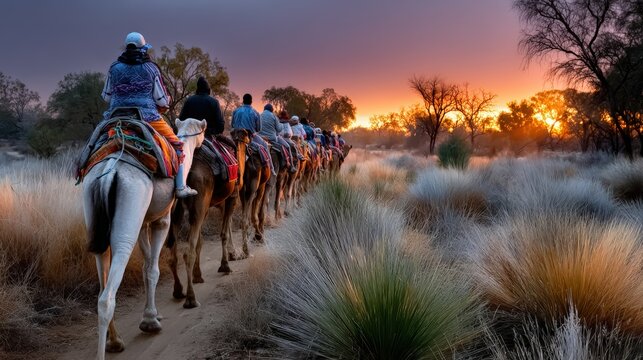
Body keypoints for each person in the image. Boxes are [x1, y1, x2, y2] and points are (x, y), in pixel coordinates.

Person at [101, 32, 197, 198]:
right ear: (143, 48)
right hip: (147, 117)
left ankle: (81, 170)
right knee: (178, 145)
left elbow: (106, 96)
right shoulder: (151, 68)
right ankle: (181, 187)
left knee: (94, 142)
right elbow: (161, 101)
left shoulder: (114, 68)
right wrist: (165, 101)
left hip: (116, 117)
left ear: (126, 47)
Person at [231, 94, 276, 176]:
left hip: (236, 137)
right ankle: (270, 168)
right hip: (249, 138)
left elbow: (233, 125)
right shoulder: (255, 113)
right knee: (265, 146)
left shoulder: (235, 111)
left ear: (243, 101)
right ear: (251, 102)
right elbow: (259, 129)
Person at [259, 104, 296, 173]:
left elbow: (257, 127)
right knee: (287, 146)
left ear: (264, 109)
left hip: (261, 138)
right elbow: (279, 129)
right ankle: (291, 166)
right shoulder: (274, 116)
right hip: (272, 138)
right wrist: (282, 125)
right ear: (271, 110)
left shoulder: (259, 115)